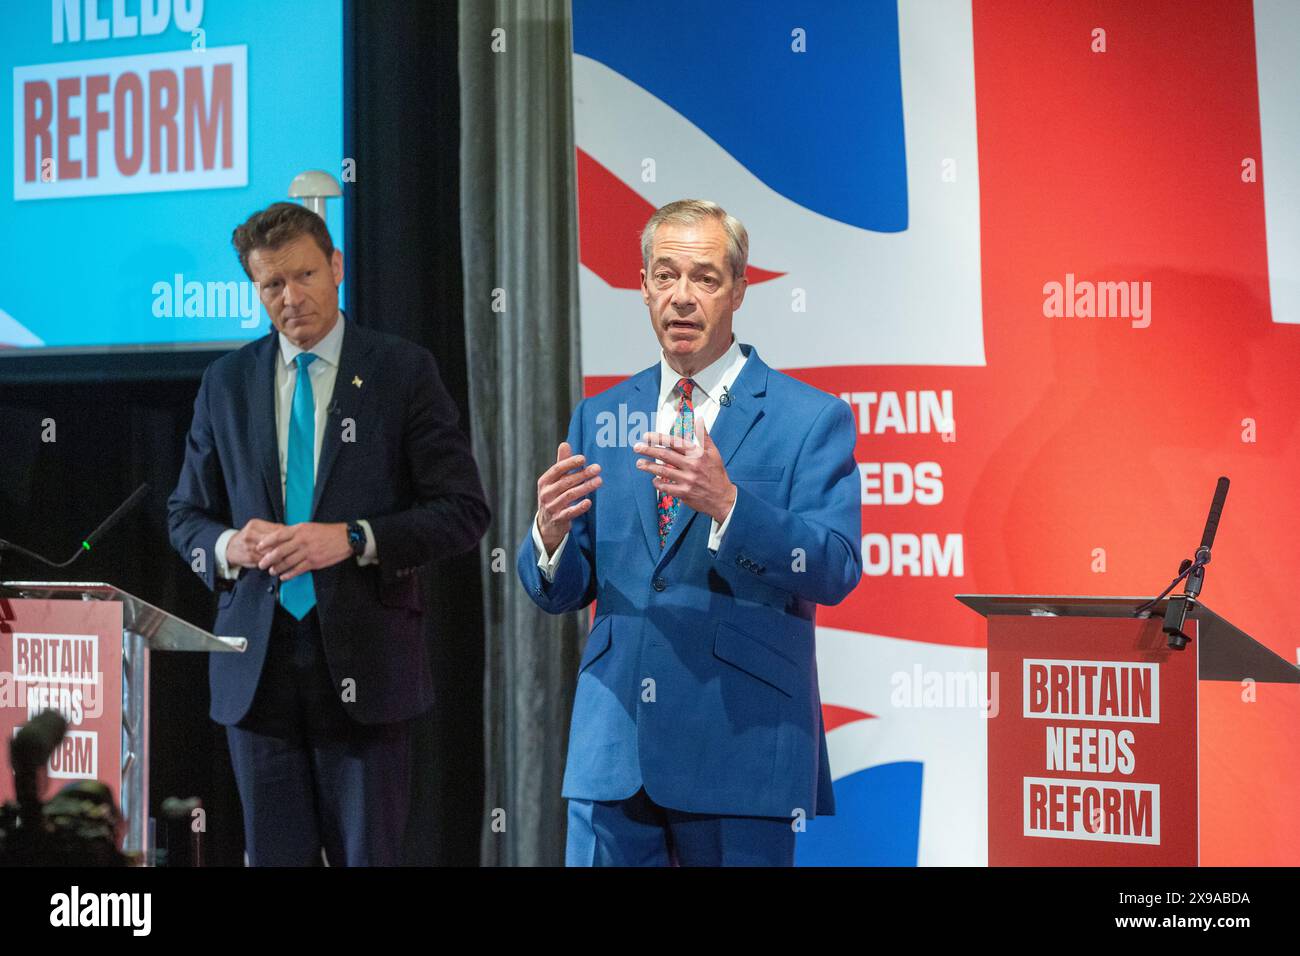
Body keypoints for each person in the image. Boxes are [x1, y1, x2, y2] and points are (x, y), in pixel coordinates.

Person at [518, 199, 862, 866]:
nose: (681, 297)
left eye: (704, 278)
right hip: (614, 749)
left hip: (742, 746)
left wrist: (730, 505)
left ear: (740, 288)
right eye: (665, 275)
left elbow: (836, 566)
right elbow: (565, 590)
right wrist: (550, 536)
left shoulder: (809, 419)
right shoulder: (601, 415)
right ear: (643, 286)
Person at [168, 202, 489, 865]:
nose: (291, 298)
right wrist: (232, 546)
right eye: (271, 285)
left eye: (305, 275)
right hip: (256, 671)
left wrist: (353, 537)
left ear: (336, 267)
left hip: (365, 668)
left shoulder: (401, 371)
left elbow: (462, 510)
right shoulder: (226, 383)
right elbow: (186, 516)